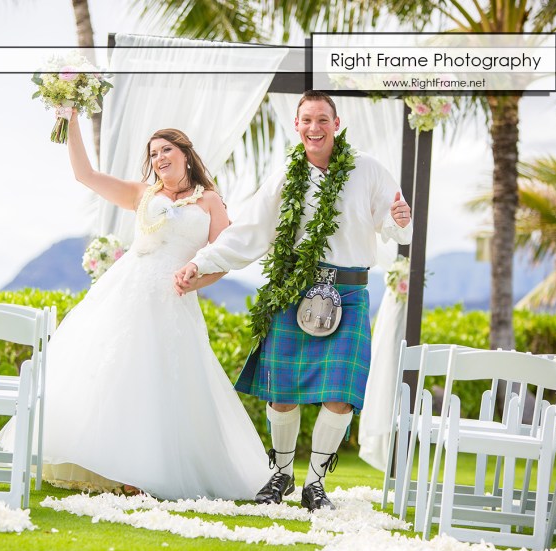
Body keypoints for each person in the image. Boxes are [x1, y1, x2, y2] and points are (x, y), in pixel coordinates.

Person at [0, 110, 271, 500]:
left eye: (166, 150)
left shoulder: (210, 201)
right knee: (113, 372)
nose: (159, 158)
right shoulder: (143, 195)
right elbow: (86, 176)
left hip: (174, 300)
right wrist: (71, 120)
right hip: (128, 290)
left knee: (163, 381)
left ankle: (150, 471)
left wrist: (194, 281)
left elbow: (222, 260)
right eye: (154, 153)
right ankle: (109, 466)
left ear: (185, 154)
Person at [174, 91, 413, 511]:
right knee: (281, 391)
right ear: (296, 125)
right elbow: (250, 231)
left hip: (350, 293)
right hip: (294, 289)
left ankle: (316, 483)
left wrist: (401, 225)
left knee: (341, 393)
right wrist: (201, 261)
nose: (314, 128)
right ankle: (281, 475)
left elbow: (395, 226)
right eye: (306, 120)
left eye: (322, 119)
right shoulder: (287, 176)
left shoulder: (368, 170)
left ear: (337, 124)